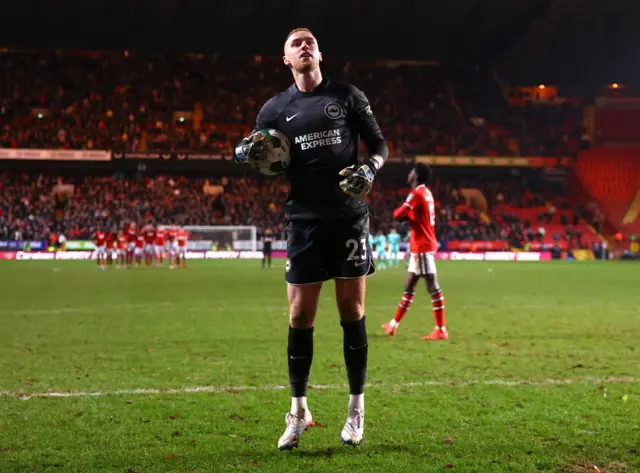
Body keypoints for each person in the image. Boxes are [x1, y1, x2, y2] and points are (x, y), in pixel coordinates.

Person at [234, 27, 388, 450]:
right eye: (295, 43)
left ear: (320, 52)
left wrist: (369, 170)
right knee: (300, 316)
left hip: (349, 218)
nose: (304, 45)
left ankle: (356, 408)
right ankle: (298, 410)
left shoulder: (348, 96)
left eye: (310, 41)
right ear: (286, 59)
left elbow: (379, 145)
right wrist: (244, 152)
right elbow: (247, 148)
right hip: (303, 220)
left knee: (352, 312)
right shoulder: (275, 108)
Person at [381, 164, 448, 341]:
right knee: (409, 285)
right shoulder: (427, 193)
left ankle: (440, 329)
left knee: (432, 287)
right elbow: (417, 216)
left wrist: (404, 215)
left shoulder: (416, 193)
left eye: (411, 171)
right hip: (420, 245)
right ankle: (393, 325)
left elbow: (398, 214)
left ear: (415, 176)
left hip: (422, 246)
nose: (409, 174)